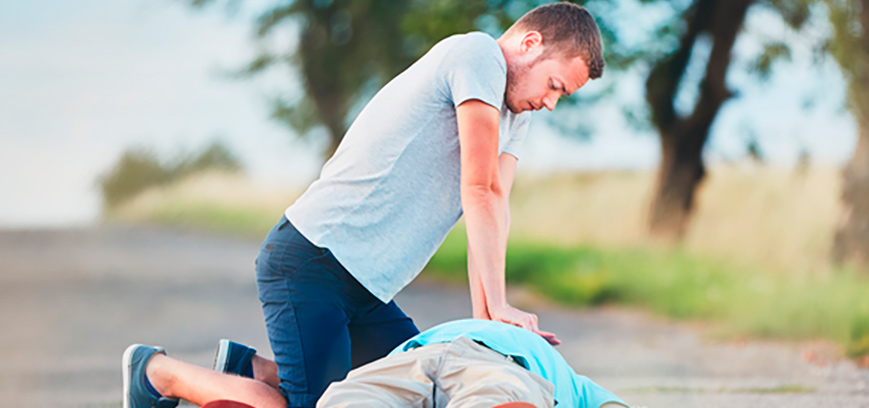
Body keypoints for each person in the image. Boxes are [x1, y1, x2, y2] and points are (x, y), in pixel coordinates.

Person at [121, 3, 606, 408]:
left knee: (417, 391)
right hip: (311, 261)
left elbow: (493, 207)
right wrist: (498, 305)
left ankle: (249, 369)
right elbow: (477, 189)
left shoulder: (512, 113)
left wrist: (489, 327)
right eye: (555, 86)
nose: (550, 103)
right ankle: (155, 372)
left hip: (367, 290)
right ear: (530, 44)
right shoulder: (478, 55)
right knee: (315, 405)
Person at [123, 320, 627, 408]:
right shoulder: (573, 387)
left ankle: (249, 370)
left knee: (345, 400)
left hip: (402, 366)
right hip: (491, 361)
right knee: (497, 397)